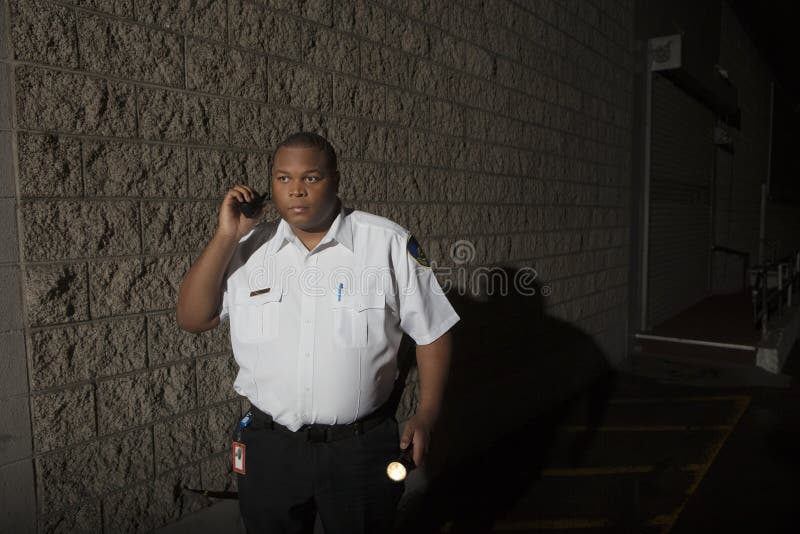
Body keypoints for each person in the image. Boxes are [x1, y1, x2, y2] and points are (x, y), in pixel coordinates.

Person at [176, 131, 459, 533]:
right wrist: (226, 235)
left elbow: (433, 333)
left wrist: (428, 414)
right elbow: (192, 318)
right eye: (283, 179)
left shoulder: (386, 243)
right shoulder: (248, 248)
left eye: (310, 178)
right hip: (270, 449)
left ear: (336, 179)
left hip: (360, 448)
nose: (296, 191)